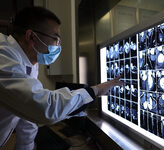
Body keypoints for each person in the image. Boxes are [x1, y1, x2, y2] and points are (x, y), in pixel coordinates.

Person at [0, 6, 123, 150]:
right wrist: (95, 90)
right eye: (56, 39)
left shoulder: (29, 63)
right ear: (31, 36)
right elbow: (44, 108)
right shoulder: (3, 57)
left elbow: (28, 116)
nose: (59, 46)